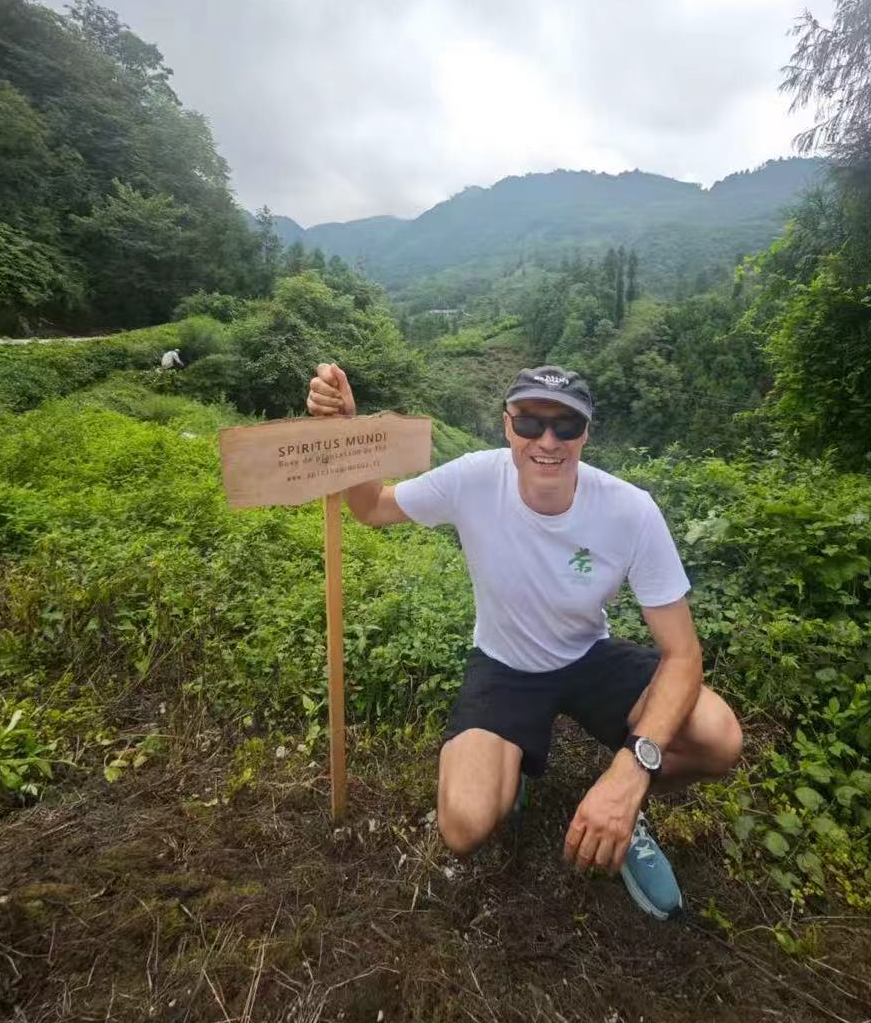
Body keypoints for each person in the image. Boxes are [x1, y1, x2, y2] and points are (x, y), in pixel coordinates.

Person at [306, 361, 743, 919]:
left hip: (589, 656)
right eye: (531, 422)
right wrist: (348, 428)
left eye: (566, 425)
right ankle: (512, 770)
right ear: (507, 425)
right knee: (464, 825)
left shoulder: (630, 511)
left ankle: (623, 809)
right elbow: (371, 507)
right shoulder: (472, 479)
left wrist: (632, 770)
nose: (548, 441)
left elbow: (683, 654)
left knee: (718, 738)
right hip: (503, 663)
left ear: (586, 433)